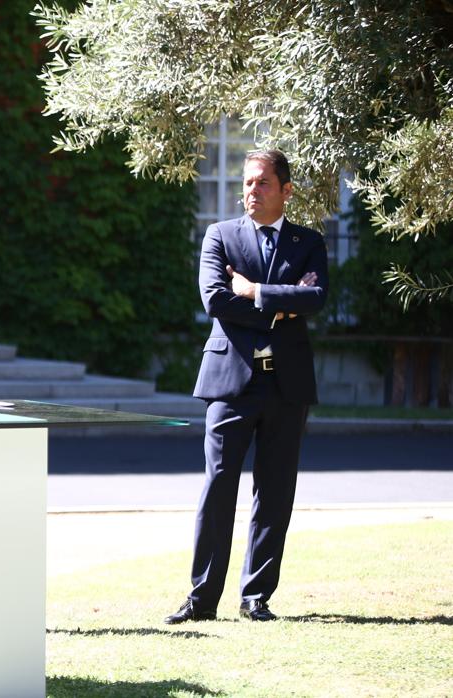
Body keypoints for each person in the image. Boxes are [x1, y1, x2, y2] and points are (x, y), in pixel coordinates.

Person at [165, 149, 328, 625]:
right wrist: (282, 303)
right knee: (218, 488)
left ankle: (256, 597)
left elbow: (316, 297)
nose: (251, 191)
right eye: (248, 183)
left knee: (275, 493)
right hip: (230, 382)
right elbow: (215, 298)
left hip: (288, 385)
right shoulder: (220, 236)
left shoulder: (308, 242)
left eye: (262, 183)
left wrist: (255, 291)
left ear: (285, 190)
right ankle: (201, 599)